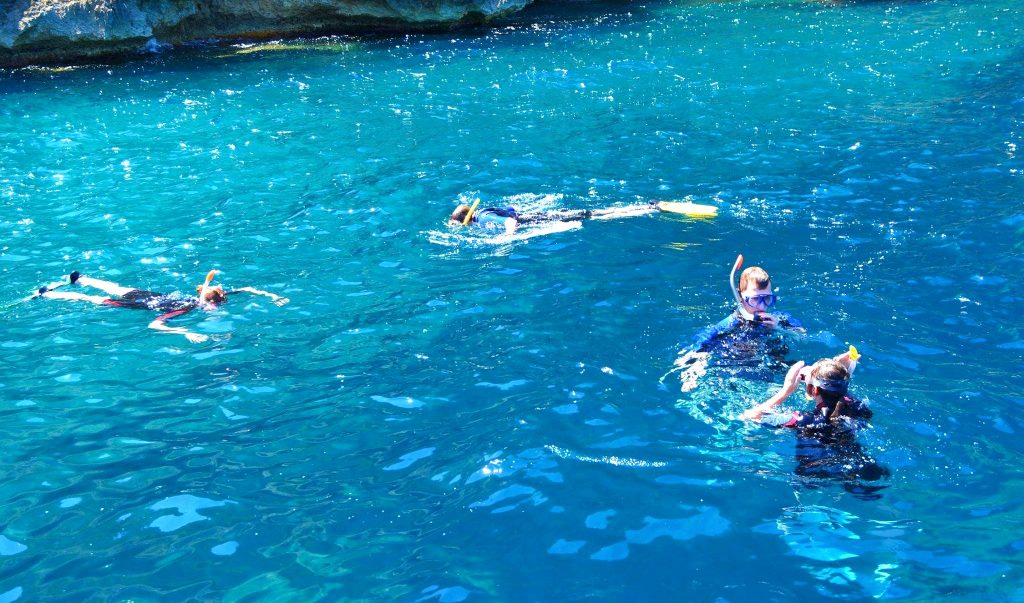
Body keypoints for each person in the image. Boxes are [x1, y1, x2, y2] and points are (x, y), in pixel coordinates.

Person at [741, 353, 889, 496]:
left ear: (814, 390)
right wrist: (839, 370)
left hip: (813, 476)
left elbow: (749, 416)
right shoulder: (858, 408)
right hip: (861, 465)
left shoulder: (801, 419)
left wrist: (785, 391)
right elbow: (840, 392)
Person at [37, 270, 288, 343]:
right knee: (96, 300)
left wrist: (271, 295)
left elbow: (247, 289)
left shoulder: (199, 298)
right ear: (209, 304)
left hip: (151, 295)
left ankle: (80, 279)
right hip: (143, 305)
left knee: (114, 286)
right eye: (216, 306)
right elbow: (154, 324)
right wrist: (186, 332)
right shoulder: (186, 309)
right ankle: (47, 295)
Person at [675, 263, 803, 391]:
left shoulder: (780, 319)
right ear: (740, 296)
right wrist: (694, 369)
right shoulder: (729, 325)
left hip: (772, 371)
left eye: (767, 299)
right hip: (736, 373)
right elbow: (701, 346)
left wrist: (779, 327)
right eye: (755, 299)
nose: (762, 306)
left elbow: (803, 337)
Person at [449, 201, 663, 234]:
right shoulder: (485, 210)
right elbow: (512, 209)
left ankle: (647, 208)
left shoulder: (483, 220)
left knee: (597, 217)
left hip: (543, 220)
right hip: (542, 214)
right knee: (595, 213)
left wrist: (506, 239)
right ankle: (645, 206)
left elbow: (510, 221)